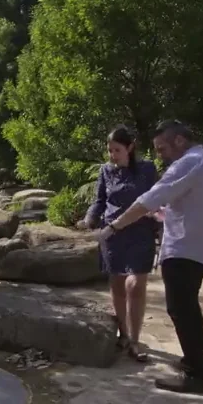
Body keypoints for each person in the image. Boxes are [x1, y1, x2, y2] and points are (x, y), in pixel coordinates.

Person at [97, 120, 203, 394]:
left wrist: (112, 227)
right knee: (188, 308)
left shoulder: (189, 163)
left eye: (161, 148)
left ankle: (195, 374)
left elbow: (148, 198)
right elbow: (192, 206)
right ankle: (192, 361)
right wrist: (161, 215)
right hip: (201, 247)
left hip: (185, 250)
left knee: (182, 311)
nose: (160, 155)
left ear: (179, 141)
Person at [78, 126, 159, 363]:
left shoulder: (147, 169)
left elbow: (155, 198)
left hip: (141, 232)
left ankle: (135, 340)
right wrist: (89, 219)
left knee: (136, 285)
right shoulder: (106, 170)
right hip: (112, 234)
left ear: (130, 148)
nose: (112, 155)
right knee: (117, 284)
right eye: (110, 150)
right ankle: (123, 333)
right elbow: (100, 201)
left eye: (117, 150)